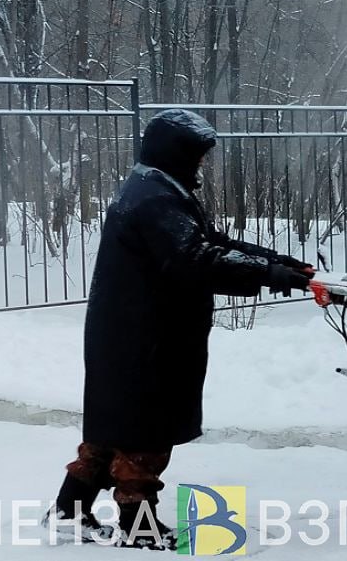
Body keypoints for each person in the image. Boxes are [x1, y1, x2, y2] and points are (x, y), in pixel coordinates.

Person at [44, 109, 313, 550]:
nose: (202, 165)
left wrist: (277, 263)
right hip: (147, 338)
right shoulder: (154, 200)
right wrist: (271, 275)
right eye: (198, 156)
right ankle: (138, 529)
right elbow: (196, 260)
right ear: (176, 154)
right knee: (144, 435)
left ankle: (69, 512)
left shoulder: (155, 189)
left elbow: (209, 241)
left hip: (129, 334)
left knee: (111, 430)